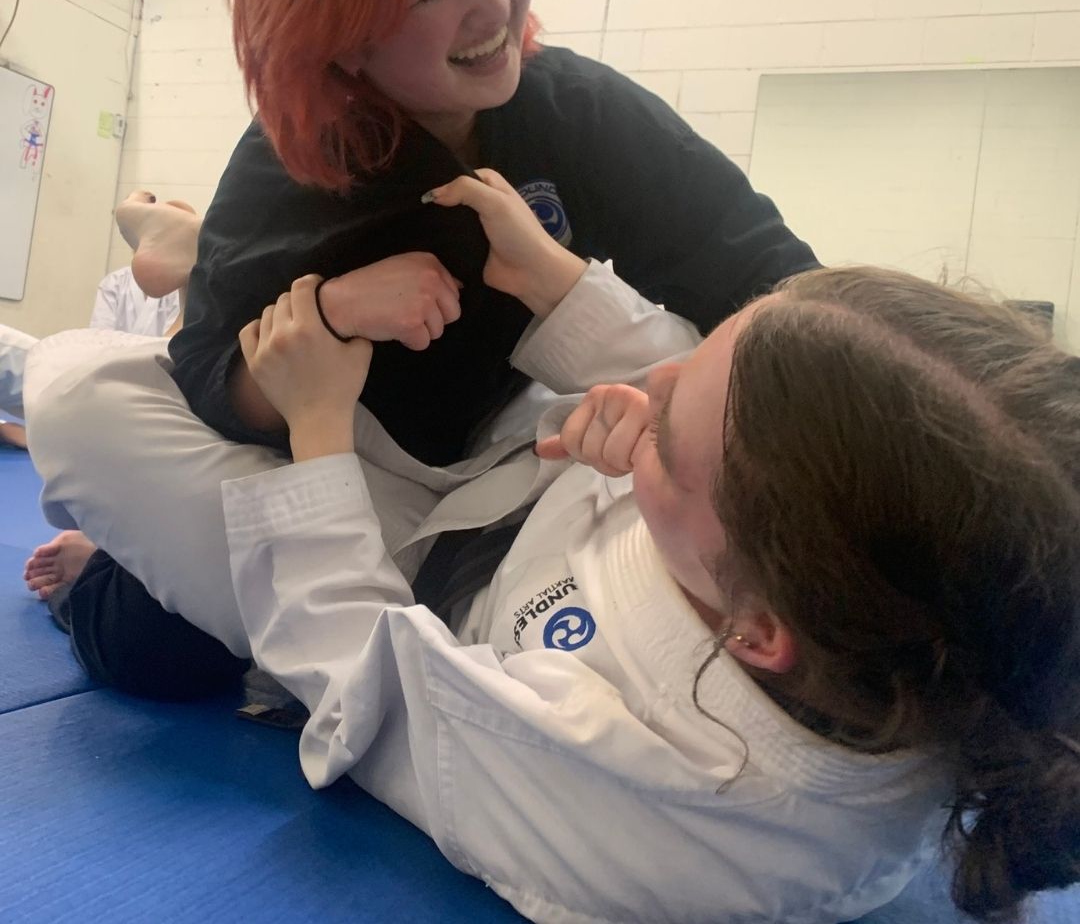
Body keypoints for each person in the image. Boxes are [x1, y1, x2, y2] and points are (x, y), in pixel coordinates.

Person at [27, 173, 1080, 923]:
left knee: (81, 402)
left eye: (667, 434)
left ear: (757, 630)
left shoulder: (680, 804)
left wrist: (312, 428)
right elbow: (687, 380)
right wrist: (564, 289)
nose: (648, 391)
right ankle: (209, 281)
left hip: (414, 598)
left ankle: (116, 507)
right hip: (511, 483)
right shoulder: (920, 586)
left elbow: (365, 677)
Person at [41, 0, 818, 699]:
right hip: (336, 450)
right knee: (157, 649)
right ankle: (103, 562)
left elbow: (777, 285)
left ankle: (175, 236)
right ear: (335, 34)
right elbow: (206, 370)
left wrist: (564, 286)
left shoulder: (577, 111)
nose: (491, 4)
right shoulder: (293, 168)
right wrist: (330, 316)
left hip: (501, 453)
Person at [18, 191, 201, 601]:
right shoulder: (116, 286)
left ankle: (108, 555)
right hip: (173, 377)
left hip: (147, 389)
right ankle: (199, 288)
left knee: (71, 383)